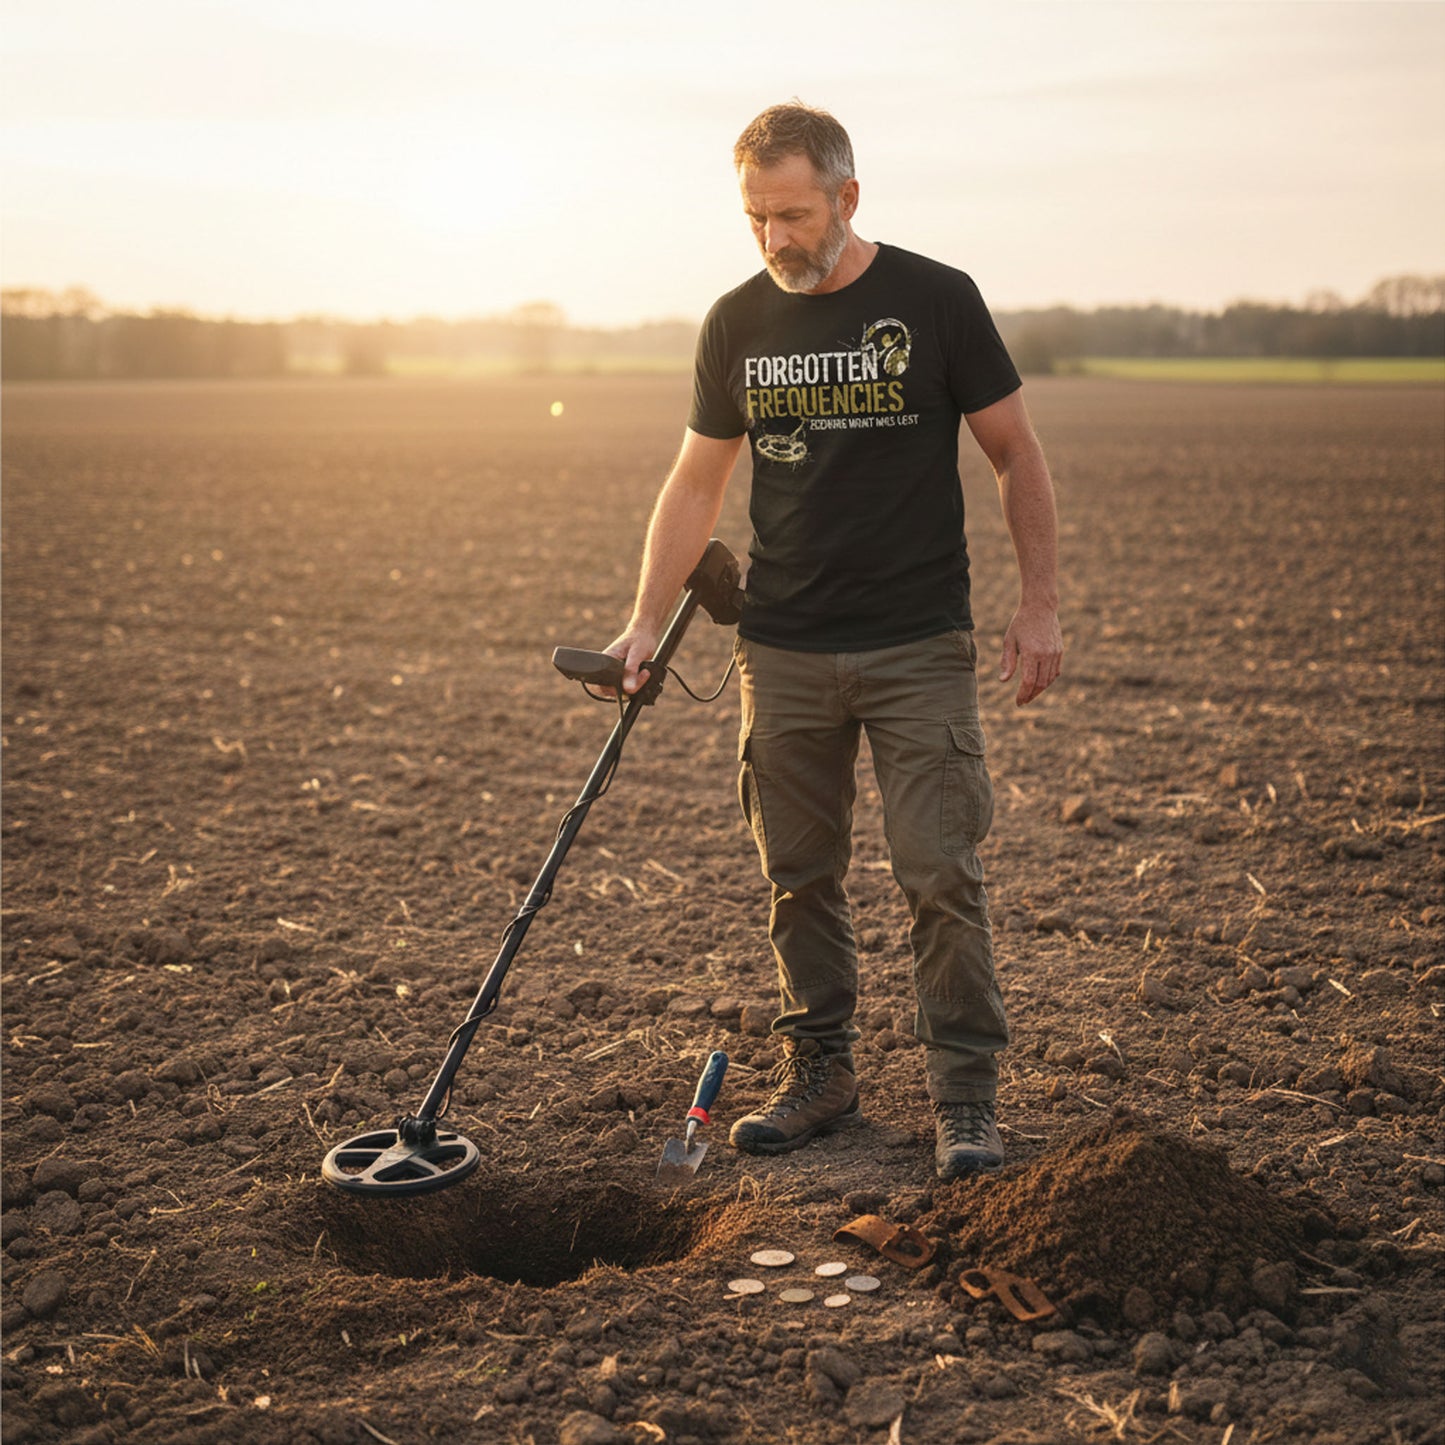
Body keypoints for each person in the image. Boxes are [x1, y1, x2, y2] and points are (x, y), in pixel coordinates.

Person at [606, 102, 1063, 1181]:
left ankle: (964, 1096)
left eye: (794, 215)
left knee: (938, 870)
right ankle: (819, 1072)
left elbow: (1014, 452)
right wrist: (642, 618)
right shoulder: (735, 322)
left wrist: (1037, 603)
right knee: (797, 874)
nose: (774, 238)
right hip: (783, 648)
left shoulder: (936, 299)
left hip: (915, 644)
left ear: (847, 197)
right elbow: (696, 481)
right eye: (755, 218)